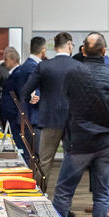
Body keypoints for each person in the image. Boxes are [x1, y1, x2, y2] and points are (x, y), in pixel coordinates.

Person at [53, 33, 109, 217]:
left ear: (83, 51)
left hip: (78, 142)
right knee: (102, 194)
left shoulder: (72, 74)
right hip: (106, 143)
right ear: (104, 52)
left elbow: (62, 106)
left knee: (63, 192)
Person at [21, 32, 79, 192]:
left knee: (44, 162)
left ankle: (40, 196)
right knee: (71, 161)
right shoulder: (78, 66)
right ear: (69, 45)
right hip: (72, 121)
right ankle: (64, 198)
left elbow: (25, 91)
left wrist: (30, 98)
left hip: (49, 120)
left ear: (55, 47)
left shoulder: (44, 66)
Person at [4, 36, 46, 154]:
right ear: (43, 50)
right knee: (34, 155)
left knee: (28, 153)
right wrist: (35, 95)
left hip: (25, 116)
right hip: (32, 117)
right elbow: (32, 87)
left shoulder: (25, 65)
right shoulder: (34, 66)